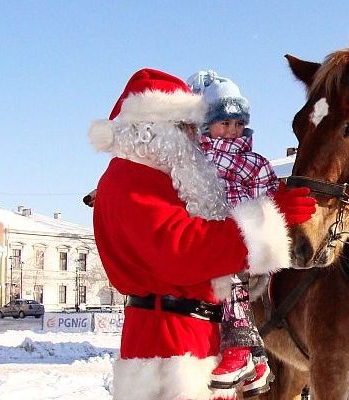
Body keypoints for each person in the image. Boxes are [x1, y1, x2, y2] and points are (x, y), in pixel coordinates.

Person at [87, 68, 316, 400]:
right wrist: (270, 218)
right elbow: (185, 249)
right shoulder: (131, 179)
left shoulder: (158, 178)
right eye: (185, 127)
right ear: (151, 129)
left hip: (188, 337)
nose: (194, 139)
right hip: (168, 349)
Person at [186, 70, 278, 397]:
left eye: (238, 124)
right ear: (205, 125)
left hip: (240, 234)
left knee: (229, 278)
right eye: (224, 123)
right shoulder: (192, 158)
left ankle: (239, 349)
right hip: (206, 232)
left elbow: (269, 192)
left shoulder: (251, 161)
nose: (232, 131)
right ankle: (256, 357)